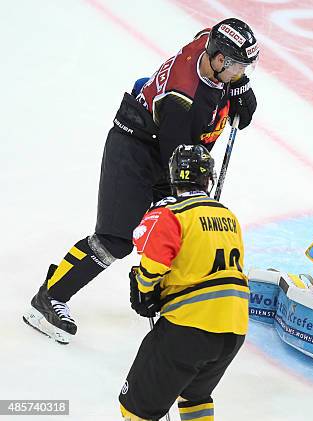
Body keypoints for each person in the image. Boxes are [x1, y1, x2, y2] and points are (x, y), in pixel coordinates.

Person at [23, 18, 258, 343]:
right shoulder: (181, 97)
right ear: (219, 59)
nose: (241, 74)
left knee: (185, 232)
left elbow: (207, 37)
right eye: (238, 69)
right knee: (116, 239)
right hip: (135, 149)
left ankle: (173, 301)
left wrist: (240, 87)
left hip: (166, 144)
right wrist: (194, 201)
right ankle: (48, 298)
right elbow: (178, 163)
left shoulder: (209, 44)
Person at [119, 144, 248, 421]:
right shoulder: (230, 217)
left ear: (173, 177)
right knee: (195, 398)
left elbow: (152, 267)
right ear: (208, 178)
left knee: (135, 410)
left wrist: (144, 291)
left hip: (189, 329)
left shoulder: (173, 214)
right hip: (234, 330)